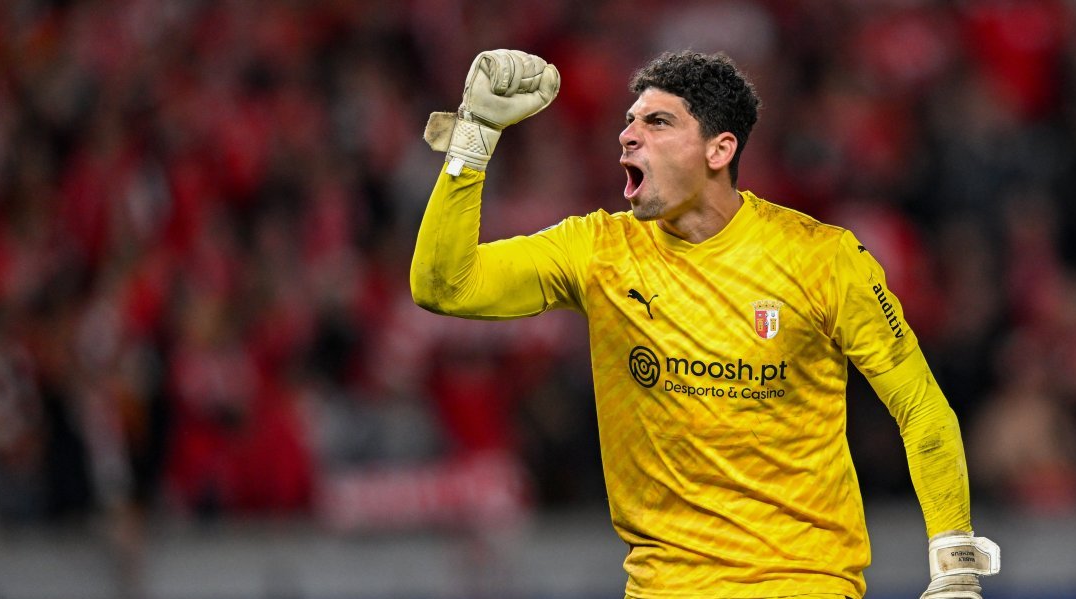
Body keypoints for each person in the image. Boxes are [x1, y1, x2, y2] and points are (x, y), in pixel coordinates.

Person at [412, 49, 1000, 599]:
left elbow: (920, 407)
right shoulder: (597, 251)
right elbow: (444, 287)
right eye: (629, 121)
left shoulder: (821, 258)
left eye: (658, 122)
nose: (628, 134)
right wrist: (474, 140)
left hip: (803, 583)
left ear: (719, 151)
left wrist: (954, 562)